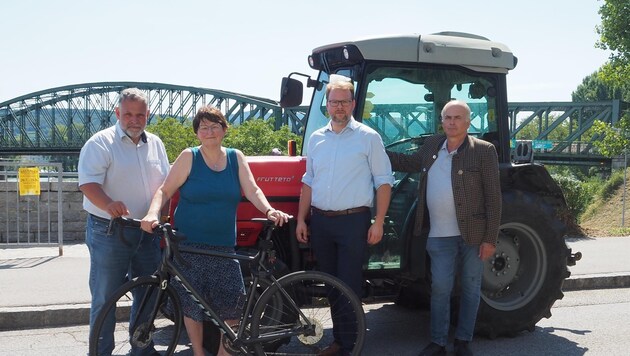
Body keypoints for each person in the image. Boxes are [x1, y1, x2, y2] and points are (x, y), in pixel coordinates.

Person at [140, 105, 290, 356]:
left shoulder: (235, 157)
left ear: (224, 129)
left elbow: (252, 190)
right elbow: (165, 190)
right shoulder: (189, 157)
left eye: (214, 126)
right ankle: (198, 352)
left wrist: (268, 210)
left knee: (231, 305)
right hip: (189, 245)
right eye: (203, 127)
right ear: (197, 133)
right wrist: (152, 213)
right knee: (191, 305)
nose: (209, 131)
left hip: (223, 246)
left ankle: (223, 353)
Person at [387, 100, 502, 356]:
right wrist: (374, 150)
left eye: (457, 117)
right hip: (439, 234)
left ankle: (463, 341)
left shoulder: (483, 150)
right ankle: (438, 343)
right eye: (447, 117)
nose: (451, 122)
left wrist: (490, 238)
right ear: (442, 120)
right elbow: (409, 163)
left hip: (472, 235)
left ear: (468, 122)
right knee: (440, 288)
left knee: (471, 287)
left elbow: (493, 198)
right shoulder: (432, 146)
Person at [295, 78, 394, 356]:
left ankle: (351, 346)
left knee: (348, 284)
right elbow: (309, 181)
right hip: (322, 221)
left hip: (353, 221)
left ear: (352, 104)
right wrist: (302, 220)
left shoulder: (368, 137)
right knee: (330, 285)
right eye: (334, 101)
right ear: (327, 105)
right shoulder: (316, 138)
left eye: (344, 101)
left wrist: (379, 221)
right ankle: (340, 342)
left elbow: (384, 181)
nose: (339, 107)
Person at [78, 88, 170, 356]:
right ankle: (100, 352)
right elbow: (87, 183)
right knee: (106, 298)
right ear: (117, 113)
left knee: (147, 295)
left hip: (147, 230)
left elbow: (164, 185)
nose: (134, 119)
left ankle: (142, 350)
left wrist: (161, 213)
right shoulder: (100, 143)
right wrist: (108, 203)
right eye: (128, 114)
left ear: (147, 115)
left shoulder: (156, 143)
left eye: (139, 114)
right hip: (109, 231)